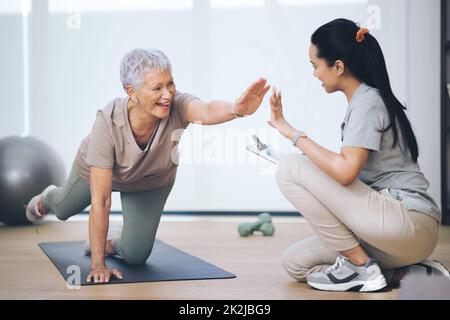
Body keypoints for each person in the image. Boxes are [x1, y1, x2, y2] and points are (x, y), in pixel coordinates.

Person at [25, 48, 270, 284]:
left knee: (135, 256)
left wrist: (236, 109)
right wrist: (98, 266)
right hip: (96, 172)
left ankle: (108, 242)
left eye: (170, 84)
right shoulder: (107, 121)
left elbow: (205, 110)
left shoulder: (178, 105)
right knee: (63, 210)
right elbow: (101, 200)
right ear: (131, 91)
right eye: (157, 88)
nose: (167, 94)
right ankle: (48, 198)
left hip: (151, 180)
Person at [268, 18, 448, 292]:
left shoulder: (367, 102)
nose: (315, 74)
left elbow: (344, 172)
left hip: (407, 221)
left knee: (290, 167)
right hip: (394, 234)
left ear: (338, 66)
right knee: (295, 263)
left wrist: (292, 134)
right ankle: (406, 272)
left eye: (315, 66)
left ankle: (362, 267)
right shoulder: (366, 101)